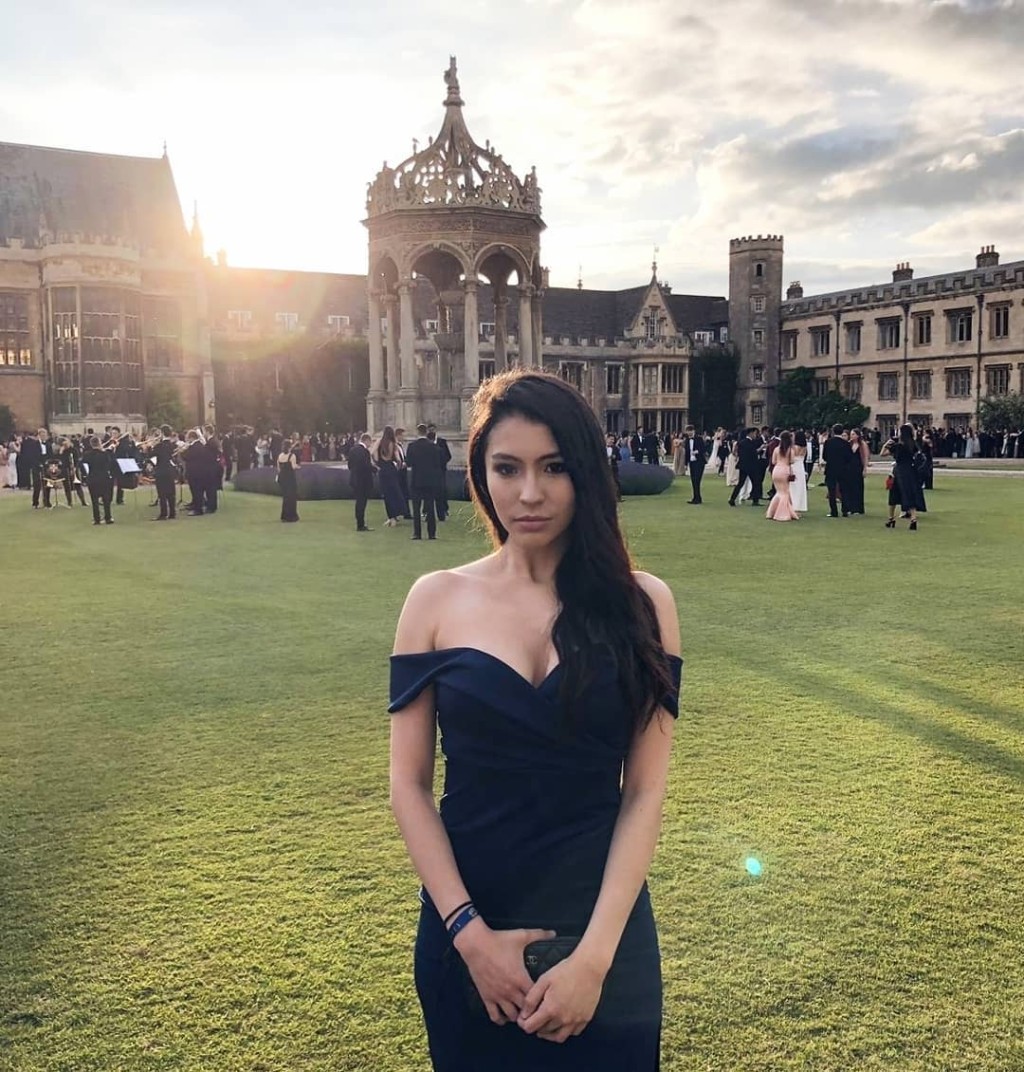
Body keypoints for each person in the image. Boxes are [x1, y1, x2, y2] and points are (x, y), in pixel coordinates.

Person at [388, 370, 681, 1071]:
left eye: (554, 467)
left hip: (604, 936)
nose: (529, 493)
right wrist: (469, 936)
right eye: (507, 468)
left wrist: (595, 960)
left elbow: (644, 791)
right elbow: (408, 786)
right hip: (468, 932)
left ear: (586, 473)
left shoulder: (644, 605)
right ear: (480, 474)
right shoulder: (434, 601)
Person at [405, 424, 444, 540]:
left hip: (416, 480)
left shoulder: (412, 446)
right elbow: (438, 463)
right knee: (430, 507)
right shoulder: (433, 447)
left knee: (416, 509)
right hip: (430, 481)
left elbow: (409, 462)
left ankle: (417, 533)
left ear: (417, 432)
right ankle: (432, 533)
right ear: (426, 432)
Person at [881, 423, 921, 530]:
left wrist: (885, 445)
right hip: (910, 471)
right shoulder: (913, 445)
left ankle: (891, 519)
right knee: (909, 494)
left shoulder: (898, 446)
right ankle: (913, 519)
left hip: (899, 471)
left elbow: (883, 454)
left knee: (893, 495)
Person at [80, 436, 118, 525]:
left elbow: (81, 465)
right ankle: (108, 518)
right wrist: (112, 450)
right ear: (99, 443)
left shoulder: (87, 454)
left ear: (91, 444)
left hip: (92, 478)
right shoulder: (105, 454)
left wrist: (85, 475)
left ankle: (97, 519)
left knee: (94, 500)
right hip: (104, 478)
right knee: (106, 500)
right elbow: (112, 463)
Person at [375, 426, 407, 527]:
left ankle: (391, 517)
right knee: (394, 493)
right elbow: (398, 460)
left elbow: (373, 453)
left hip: (383, 469)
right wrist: (398, 467)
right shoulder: (394, 444)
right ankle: (395, 516)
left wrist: (377, 464)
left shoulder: (379, 442)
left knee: (386, 494)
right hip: (391, 469)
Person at [765, 431, 799, 522]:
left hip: (776, 470)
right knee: (785, 492)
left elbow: (773, 461)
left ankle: (772, 511)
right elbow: (792, 461)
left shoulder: (776, 449)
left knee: (779, 492)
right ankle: (782, 513)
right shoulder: (790, 450)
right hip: (785, 470)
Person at [348, 433, 376, 531]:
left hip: (355, 480)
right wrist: (375, 469)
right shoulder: (365, 452)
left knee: (358, 502)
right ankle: (361, 525)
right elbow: (367, 466)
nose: (370, 444)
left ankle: (360, 523)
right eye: (370, 442)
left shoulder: (352, 450)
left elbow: (350, 465)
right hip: (363, 481)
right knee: (362, 503)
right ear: (366, 440)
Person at [823, 424, 850, 517]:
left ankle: (834, 511)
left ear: (833, 431)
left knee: (832, 491)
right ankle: (845, 510)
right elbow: (848, 457)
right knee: (844, 490)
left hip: (831, 469)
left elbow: (824, 456)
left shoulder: (828, 442)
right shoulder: (846, 444)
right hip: (843, 469)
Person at [153, 426, 179, 520]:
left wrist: (151, 446)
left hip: (161, 471)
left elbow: (152, 456)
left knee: (162, 493)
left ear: (162, 433)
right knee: (171, 493)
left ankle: (163, 514)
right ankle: (172, 513)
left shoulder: (159, 446)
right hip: (170, 471)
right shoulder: (173, 445)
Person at [428, 424, 452, 522]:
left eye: (433, 429)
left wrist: (441, 463)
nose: (431, 431)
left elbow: (448, 456)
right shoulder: (426, 442)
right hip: (429, 472)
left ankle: (443, 510)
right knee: (429, 492)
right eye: (430, 429)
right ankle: (427, 512)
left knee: (441, 492)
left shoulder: (442, 442)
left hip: (440, 471)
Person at [728, 429, 758, 507]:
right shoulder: (750, 443)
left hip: (743, 465)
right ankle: (755, 500)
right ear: (750, 433)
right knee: (756, 482)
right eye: (754, 433)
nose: (755, 435)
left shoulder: (741, 442)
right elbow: (753, 454)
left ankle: (732, 499)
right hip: (750, 466)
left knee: (740, 483)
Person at [843, 429, 869, 515]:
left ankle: (858, 508)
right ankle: (850, 507)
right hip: (849, 468)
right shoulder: (848, 444)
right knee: (849, 487)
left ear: (858, 435)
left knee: (857, 487)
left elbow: (865, 457)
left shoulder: (862, 444)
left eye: (853, 434)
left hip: (858, 467)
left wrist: (865, 469)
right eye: (851, 434)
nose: (852, 436)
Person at [277, 438, 301, 522]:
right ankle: (291, 516)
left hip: (282, 478)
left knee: (285, 497)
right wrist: (298, 466)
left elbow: (279, 468)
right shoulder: (292, 456)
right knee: (292, 497)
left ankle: (284, 516)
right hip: (290, 478)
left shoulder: (280, 456)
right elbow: (293, 466)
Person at [683, 426, 706, 504]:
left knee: (697, 480)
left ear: (693, 431)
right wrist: (685, 464)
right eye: (688, 431)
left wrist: (697, 451)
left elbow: (703, 449)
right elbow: (686, 453)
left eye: (691, 431)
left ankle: (698, 498)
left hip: (699, 462)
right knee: (693, 481)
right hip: (692, 463)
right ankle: (696, 498)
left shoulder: (699, 439)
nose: (689, 432)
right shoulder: (687, 440)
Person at [789, 430, 809, 515]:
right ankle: (799, 507)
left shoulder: (794, 447)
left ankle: (793, 507)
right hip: (801, 467)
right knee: (800, 487)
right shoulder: (804, 447)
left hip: (794, 467)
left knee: (793, 488)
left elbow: (791, 459)